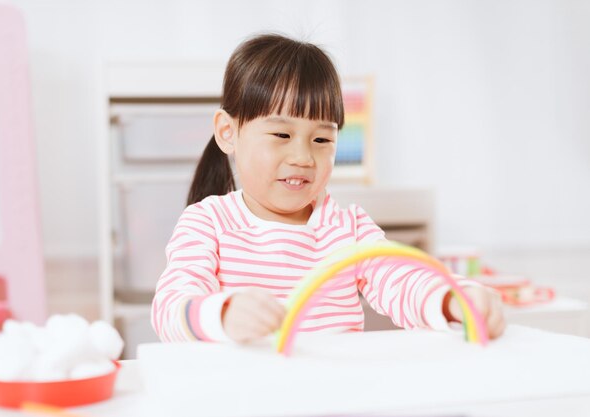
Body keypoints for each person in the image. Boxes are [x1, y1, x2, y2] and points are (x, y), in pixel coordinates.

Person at [151, 33, 505, 344]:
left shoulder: (348, 229)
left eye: (322, 138)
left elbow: (400, 277)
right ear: (229, 132)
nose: (303, 157)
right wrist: (222, 315)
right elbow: (171, 307)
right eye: (282, 135)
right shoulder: (207, 222)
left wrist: (451, 299)